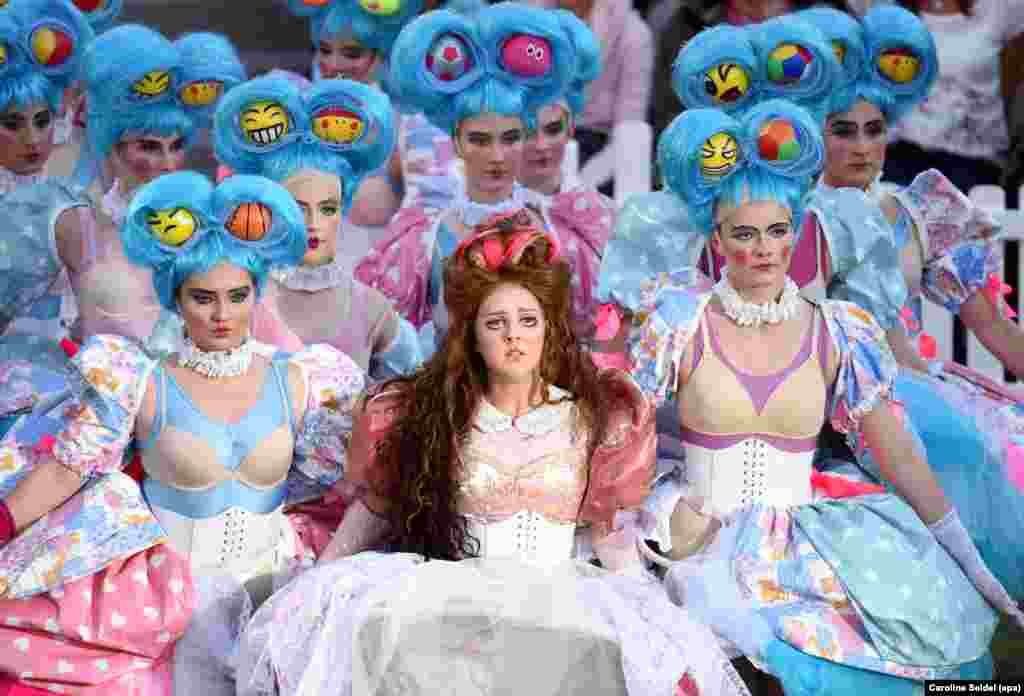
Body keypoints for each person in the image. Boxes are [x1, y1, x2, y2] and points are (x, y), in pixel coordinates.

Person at [233, 209, 749, 696]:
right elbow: (376, 507)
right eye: (495, 323)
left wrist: (650, 615)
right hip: (452, 605)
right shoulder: (430, 415)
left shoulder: (597, 415)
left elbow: (610, 536)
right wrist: (318, 584)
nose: (514, 338)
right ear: (472, 336)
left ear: (549, 327)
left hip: (560, 606)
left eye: (528, 320)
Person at [599, 99, 1016, 694]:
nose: (764, 249)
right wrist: (637, 531)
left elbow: (898, 453)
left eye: (777, 231)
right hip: (706, 532)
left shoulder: (839, 328)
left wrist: (970, 562)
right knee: (752, 637)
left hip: (807, 519)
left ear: (796, 231)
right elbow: (625, 436)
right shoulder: (679, 324)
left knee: (908, 635)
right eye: (745, 233)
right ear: (716, 238)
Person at [0, 171, 365, 696]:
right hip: (170, 606)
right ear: (176, 300)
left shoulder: (305, 379)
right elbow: (69, 468)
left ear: (255, 294)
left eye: (237, 296)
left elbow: (348, 483)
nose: (222, 314)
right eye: (203, 297)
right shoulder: (140, 380)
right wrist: (5, 518)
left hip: (279, 594)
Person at [354, 2, 585, 353]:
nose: (496, 156)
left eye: (510, 138)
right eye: (479, 139)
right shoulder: (420, 241)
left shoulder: (561, 231)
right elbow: (394, 351)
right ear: (457, 143)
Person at [212, 74, 423, 381]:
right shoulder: (235, 302)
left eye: (327, 208)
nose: (313, 225)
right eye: (297, 208)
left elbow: (410, 402)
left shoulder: (370, 308)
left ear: (342, 209)